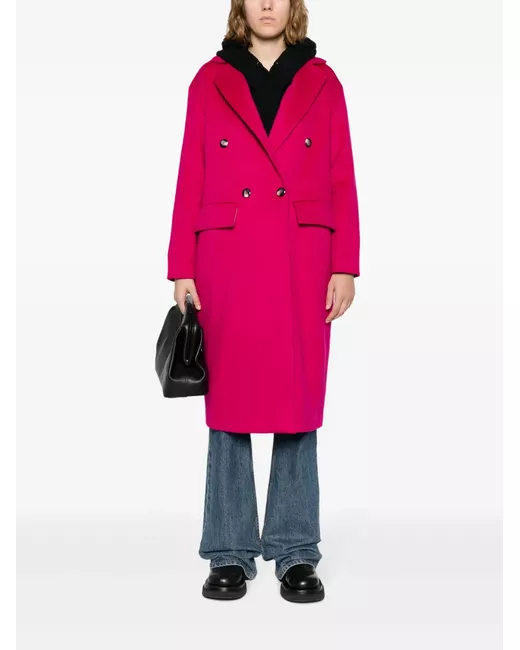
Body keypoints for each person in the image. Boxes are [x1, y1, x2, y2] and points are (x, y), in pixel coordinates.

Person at [166, 0, 360, 603]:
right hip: (228, 255)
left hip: (303, 255)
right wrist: (181, 265)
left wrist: (345, 263)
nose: (268, 3)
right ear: (241, 4)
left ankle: (296, 549)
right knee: (228, 405)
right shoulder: (209, 80)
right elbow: (191, 172)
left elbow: (341, 177)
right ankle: (229, 550)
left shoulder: (323, 81)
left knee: (298, 403)